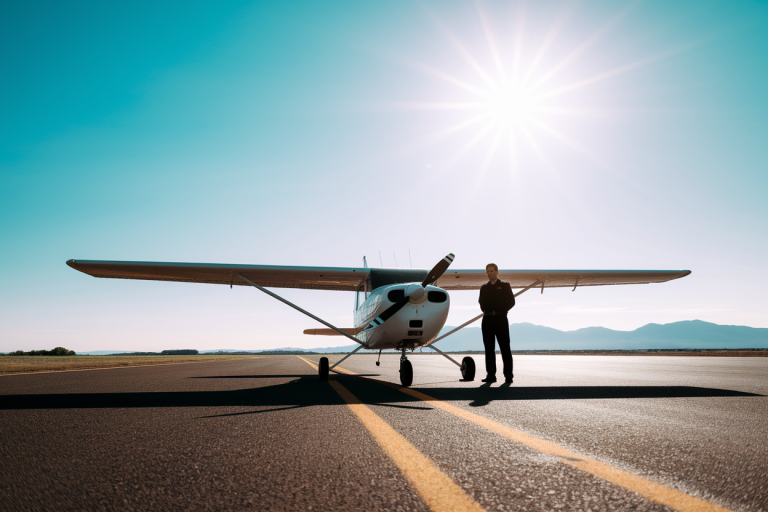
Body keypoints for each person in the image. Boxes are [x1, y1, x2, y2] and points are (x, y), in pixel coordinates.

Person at [478, 263, 515, 383]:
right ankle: (491, 375)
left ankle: (508, 375)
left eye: (491, 271)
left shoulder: (505, 285)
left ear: (497, 272)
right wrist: (487, 310)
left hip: (501, 319)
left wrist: (502, 310)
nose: (489, 273)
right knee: (489, 349)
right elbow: (481, 302)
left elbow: (511, 302)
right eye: (487, 271)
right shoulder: (484, 287)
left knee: (505, 347)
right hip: (487, 319)